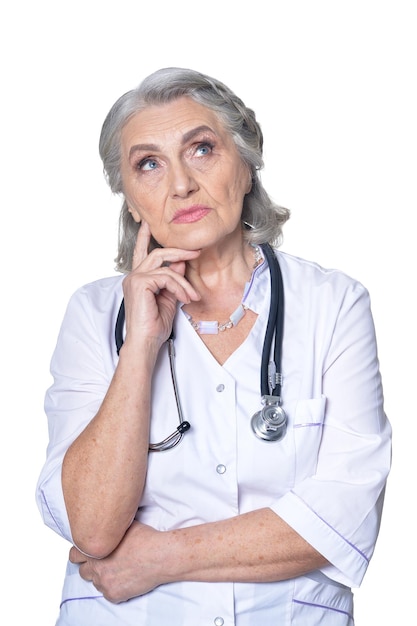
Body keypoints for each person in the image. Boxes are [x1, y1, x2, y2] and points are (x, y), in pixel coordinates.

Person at [36, 67, 392, 626]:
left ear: (246, 166)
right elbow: (94, 525)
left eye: (201, 149)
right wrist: (139, 349)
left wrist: (157, 557)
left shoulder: (333, 304)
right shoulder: (93, 315)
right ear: (131, 200)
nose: (180, 184)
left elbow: (344, 515)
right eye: (148, 164)